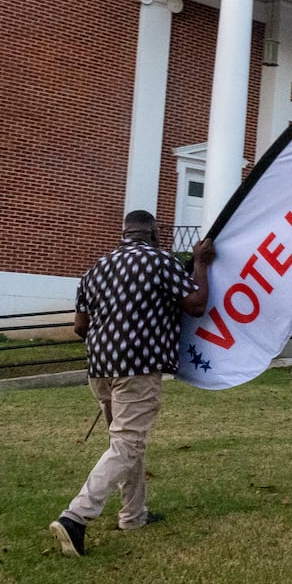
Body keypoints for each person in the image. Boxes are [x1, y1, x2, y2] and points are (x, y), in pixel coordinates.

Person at [49, 210, 215, 557]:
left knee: (125, 444)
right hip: (137, 368)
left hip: (99, 369)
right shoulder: (161, 262)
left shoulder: (95, 269)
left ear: (124, 233)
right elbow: (197, 305)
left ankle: (133, 515)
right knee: (127, 444)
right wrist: (201, 263)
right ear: (154, 233)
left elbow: (81, 326)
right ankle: (75, 517)